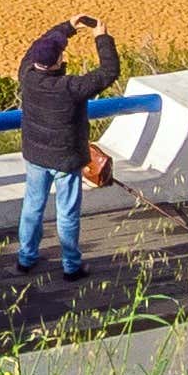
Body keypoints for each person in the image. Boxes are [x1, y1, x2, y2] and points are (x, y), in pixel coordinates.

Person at [13, 15, 126, 279]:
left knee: (32, 207)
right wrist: (102, 37)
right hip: (65, 160)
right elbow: (109, 72)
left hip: (36, 156)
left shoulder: (27, 76)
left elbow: (36, 47)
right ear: (57, 63)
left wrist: (66, 27)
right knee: (67, 213)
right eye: (61, 55)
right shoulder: (71, 87)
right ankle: (71, 266)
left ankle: (25, 259)